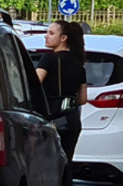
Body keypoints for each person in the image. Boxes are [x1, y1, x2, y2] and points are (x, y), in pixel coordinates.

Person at [33, 21, 88, 153]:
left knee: (46, 161)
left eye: (51, 33)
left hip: (50, 118)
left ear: (63, 38)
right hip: (71, 120)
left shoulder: (49, 58)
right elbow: (82, 99)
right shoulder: (79, 64)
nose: (46, 36)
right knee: (66, 161)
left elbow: (34, 83)